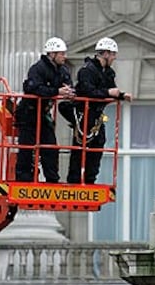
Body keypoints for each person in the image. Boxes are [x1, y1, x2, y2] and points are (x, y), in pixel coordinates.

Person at [66, 37, 132, 184]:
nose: (114, 58)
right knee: (80, 146)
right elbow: (88, 91)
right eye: (113, 54)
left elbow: (110, 90)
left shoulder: (108, 72)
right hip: (84, 113)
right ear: (106, 53)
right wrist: (108, 93)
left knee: (98, 143)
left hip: (96, 115)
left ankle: (90, 179)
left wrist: (121, 95)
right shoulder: (87, 71)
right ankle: (74, 180)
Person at [14, 37, 75, 183]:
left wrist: (70, 92)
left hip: (42, 114)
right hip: (28, 114)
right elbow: (32, 88)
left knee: (50, 147)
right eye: (62, 54)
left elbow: (68, 84)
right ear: (52, 54)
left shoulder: (62, 70)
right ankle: (24, 179)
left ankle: (52, 179)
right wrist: (56, 91)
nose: (64, 57)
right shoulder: (38, 69)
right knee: (26, 148)